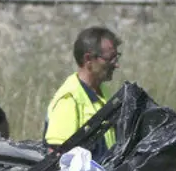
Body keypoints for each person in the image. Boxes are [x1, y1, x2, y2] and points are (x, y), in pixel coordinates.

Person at [43, 26, 121, 159]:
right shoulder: (69, 99)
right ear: (88, 59)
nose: (116, 64)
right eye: (110, 59)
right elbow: (57, 160)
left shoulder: (102, 92)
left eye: (117, 57)